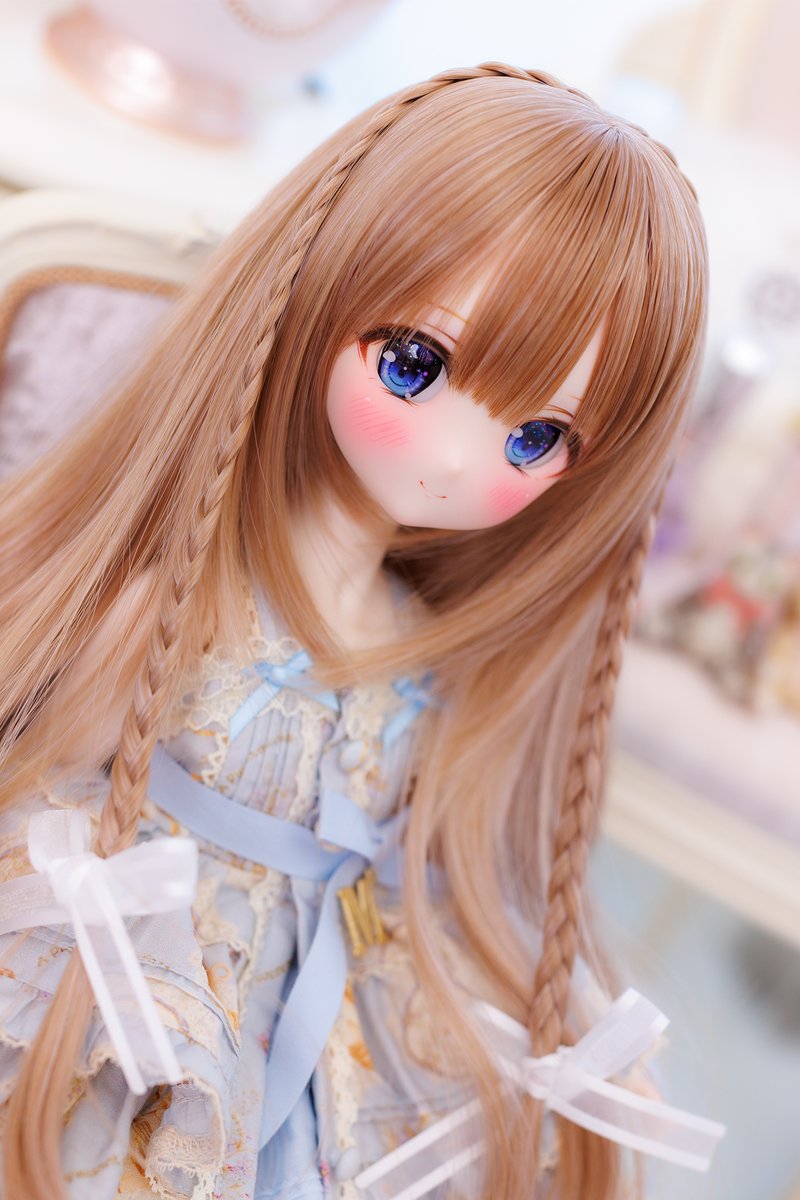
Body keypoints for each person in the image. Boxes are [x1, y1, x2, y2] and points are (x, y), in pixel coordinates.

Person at [0, 63, 717, 1200]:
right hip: (151, 1005)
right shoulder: (186, 596)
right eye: (415, 365)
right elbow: (45, 779)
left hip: (333, 1023)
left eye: (535, 438)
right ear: (324, 283)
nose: (453, 457)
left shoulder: (424, 649)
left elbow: (424, 885)